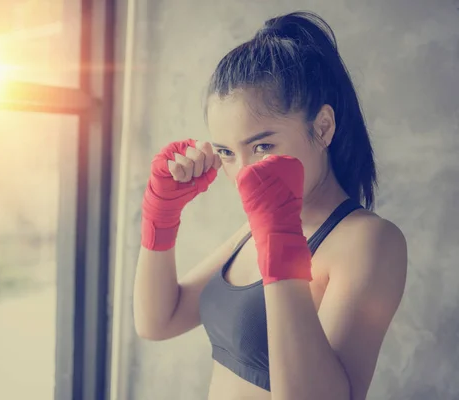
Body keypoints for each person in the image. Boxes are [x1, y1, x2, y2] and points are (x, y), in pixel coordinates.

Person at [132, 10, 408, 400]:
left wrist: (280, 240)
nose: (243, 174)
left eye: (262, 146)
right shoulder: (253, 228)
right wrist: (161, 216)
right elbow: (158, 321)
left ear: (323, 127)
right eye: (227, 152)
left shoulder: (370, 241)